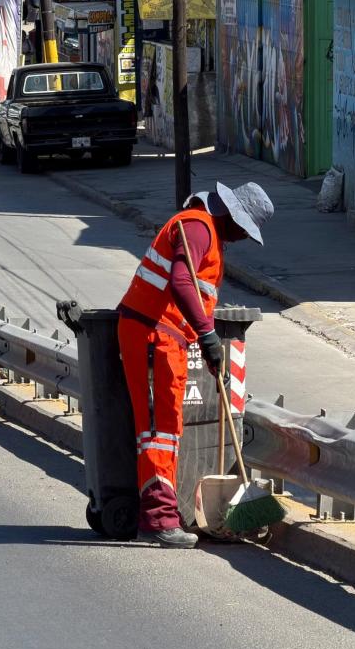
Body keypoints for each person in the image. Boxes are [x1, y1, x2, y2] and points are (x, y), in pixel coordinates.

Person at [116, 181, 274, 548]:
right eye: (243, 230)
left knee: (167, 428)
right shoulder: (197, 227)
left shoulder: (202, 231)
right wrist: (207, 334)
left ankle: (159, 515)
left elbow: (191, 290)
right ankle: (158, 518)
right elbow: (182, 281)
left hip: (165, 334)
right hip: (153, 333)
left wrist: (202, 339)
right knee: (158, 429)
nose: (240, 239)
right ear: (232, 216)